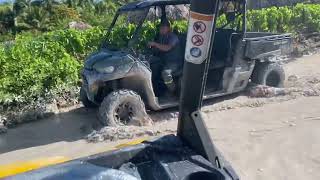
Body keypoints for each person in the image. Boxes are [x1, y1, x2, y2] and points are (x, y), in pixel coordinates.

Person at [148, 20, 183, 94]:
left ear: (168, 28)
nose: (161, 29)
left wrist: (155, 44)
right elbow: (158, 49)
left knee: (165, 74)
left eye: (163, 27)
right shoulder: (161, 37)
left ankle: (174, 91)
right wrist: (152, 48)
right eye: (160, 28)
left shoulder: (173, 37)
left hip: (174, 62)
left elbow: (167, 48)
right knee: (151, 67)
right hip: (164, 61)